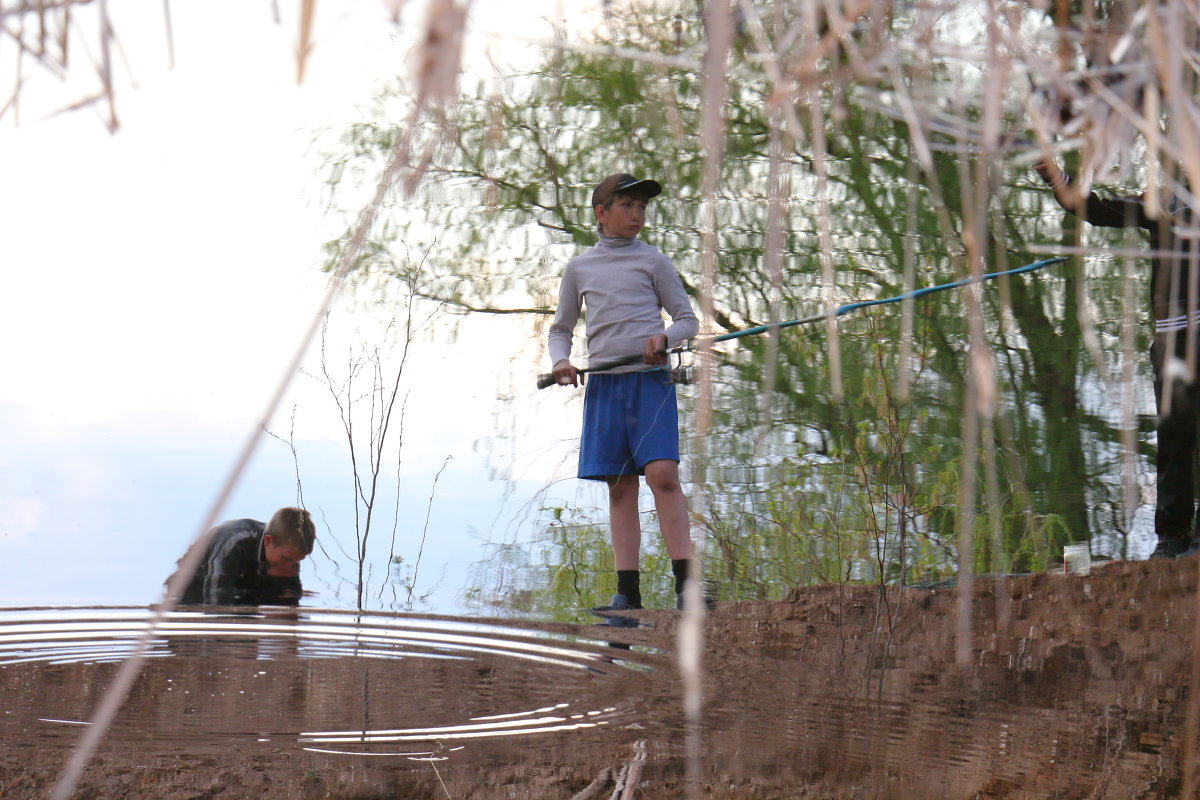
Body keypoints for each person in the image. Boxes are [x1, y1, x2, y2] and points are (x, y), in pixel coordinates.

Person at [548, 172, 702, 612]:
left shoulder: (653, 260)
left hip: (650, 382)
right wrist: (561, 361)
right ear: (602, 213)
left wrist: (666, 340)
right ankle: (627, 593)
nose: (637, 214)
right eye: (627, 206)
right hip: (605, 385)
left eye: (642, 207)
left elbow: (687, 320)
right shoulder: (579, 268)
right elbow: (560, 328)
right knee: (619, 486)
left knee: (662, 476)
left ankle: (687, 587)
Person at [1035, 158, 1199, 557]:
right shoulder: (1159, 204)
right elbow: (1094, 209)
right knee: (1174, 437)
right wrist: (1056, 177)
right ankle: (1171, 535)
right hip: (1171, 338)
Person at [172, 507, 316, 606]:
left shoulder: (287, 553)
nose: (290, 570)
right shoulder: (235, 542)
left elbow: (290, 606)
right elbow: (217, 605)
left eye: (297, 562)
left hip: (245, 595)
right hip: (190, 596)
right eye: (287, 560)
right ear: (267, 541)